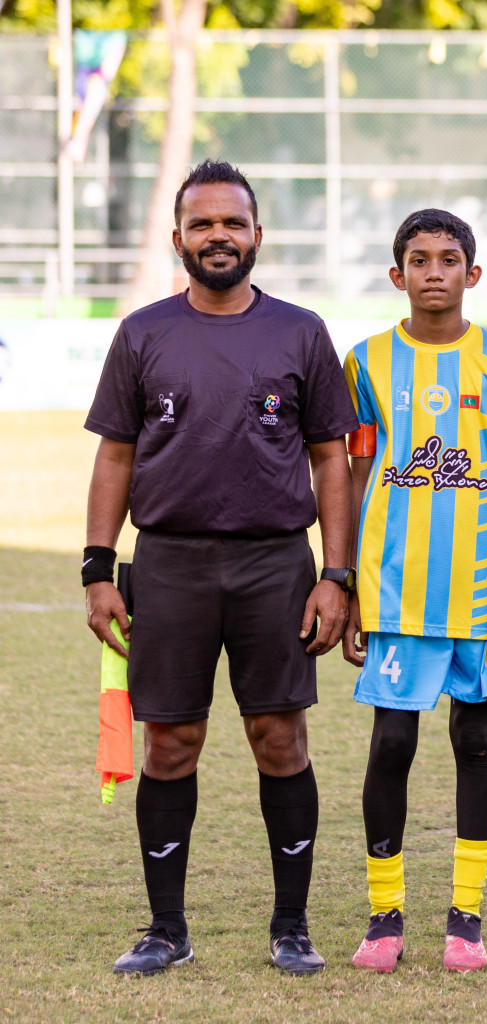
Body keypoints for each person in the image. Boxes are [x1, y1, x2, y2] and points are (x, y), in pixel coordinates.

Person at [83, 160, 358, 976]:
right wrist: (100, 568)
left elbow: (331, 462)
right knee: (172, 741)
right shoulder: (142, 333)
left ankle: (292, 926)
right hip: (168, 564)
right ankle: (167, 929)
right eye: (202, 225)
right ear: (177, 239)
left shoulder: (301, 331)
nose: (218, 237)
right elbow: (115, 456)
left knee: (279, 736)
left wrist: (334, 576)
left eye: (232, 224)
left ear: (258, 237)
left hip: (276, 563)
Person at [340, 210, 487, 973]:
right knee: (392, 743)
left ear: (472, 275)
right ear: (397, 276)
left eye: (449, 259)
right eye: (417, 260)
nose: (433, 272)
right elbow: (355, 477)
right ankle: (385, 916)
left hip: (480, 594)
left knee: (474, 740)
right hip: (394, 596)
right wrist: (348, 584)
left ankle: (466, 917)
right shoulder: (366, 364)